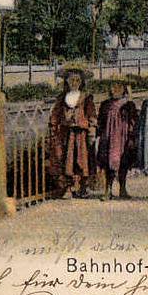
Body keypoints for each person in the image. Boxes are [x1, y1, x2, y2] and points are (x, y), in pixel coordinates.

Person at [48, 66, 96, 199]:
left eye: (77, 80)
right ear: (67, 82)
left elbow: (91, 115)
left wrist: (92, 130)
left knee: (82, 159)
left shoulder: (86, 98)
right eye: (71, 80)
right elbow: (55, 115)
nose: (74, 83)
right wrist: (53, 129)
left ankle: (83, 187)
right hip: (66, 133)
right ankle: (68, 187)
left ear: (81, 82)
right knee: (66, 159)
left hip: (81, 134)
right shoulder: (62, 98)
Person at [95, 77, 138, 200]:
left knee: (123, 162)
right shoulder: (105, 105)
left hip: (123, 137)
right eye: (113, 87)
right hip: (109, 137)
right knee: (108, 163)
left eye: (119, 87)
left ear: (124, 89)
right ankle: (108, 190)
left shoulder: (128, 104)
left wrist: (131, 137)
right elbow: (101, 122)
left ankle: (122, 189)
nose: (115, 90)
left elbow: (133, 121)